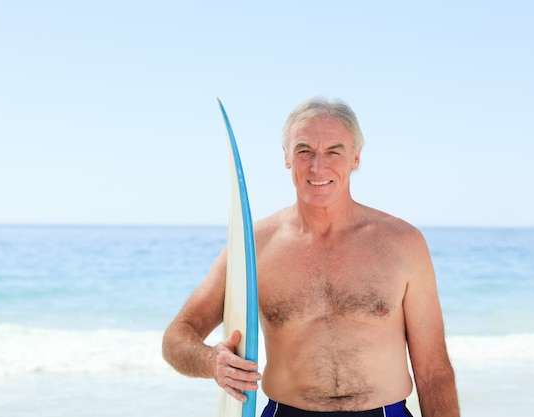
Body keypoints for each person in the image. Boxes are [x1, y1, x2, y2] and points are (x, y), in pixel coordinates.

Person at [162, 97, 460, 417]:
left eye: (334, 151)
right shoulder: (254, 246)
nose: (318, 166)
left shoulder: (403, 243)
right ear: (287, 158)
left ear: (356, 157)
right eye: (304, 150)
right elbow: (176, 338)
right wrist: (212, 362)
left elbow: (434, 371)